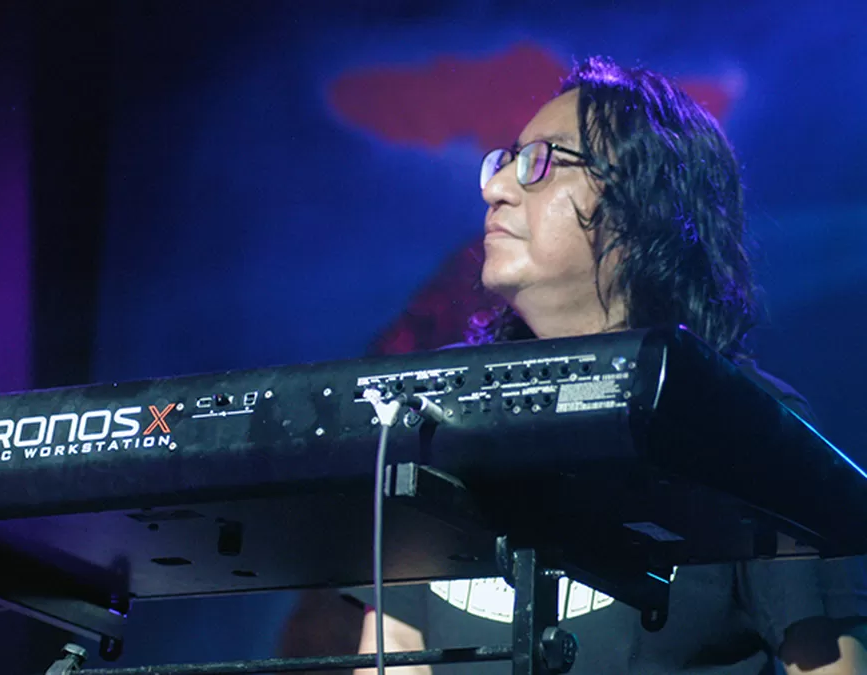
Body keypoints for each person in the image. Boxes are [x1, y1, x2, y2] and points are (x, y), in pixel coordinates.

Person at [279, 57, 867, 674]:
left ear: (641, 204)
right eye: (505, 161)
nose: (495, 188)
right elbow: (398, 652)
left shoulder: (743, 423)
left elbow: (828, 664)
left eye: (540, 162)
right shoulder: (434, 412)